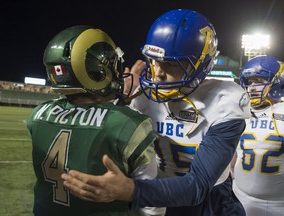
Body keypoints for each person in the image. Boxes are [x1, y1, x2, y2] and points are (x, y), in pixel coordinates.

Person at [61, 9, 251, 216]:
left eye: (170, 64)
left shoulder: (224, 100)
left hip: (207, 202)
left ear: (201, 65)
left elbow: (198, 186)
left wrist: (130, 190)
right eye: (153, 61)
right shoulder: (141, 95)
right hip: (155, 196)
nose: (157, 74)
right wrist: (118, 99)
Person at [27, 25, 165, 216]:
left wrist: (121, 98)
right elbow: (151, 206)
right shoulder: (129, 124)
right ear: (97, 72)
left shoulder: (37, 116)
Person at [231, 55, 284, 216]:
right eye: (250, 82)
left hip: (279, 204)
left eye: (259, 81)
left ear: (278, 81)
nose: (252, 88)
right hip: (239, 197)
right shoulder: (239, 112)